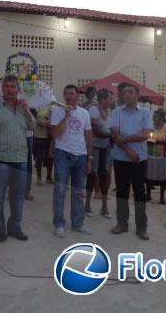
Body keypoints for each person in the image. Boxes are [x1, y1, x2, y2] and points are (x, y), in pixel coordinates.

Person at [0, 75, 35, 242]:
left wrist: (26, 110)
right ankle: (0, 228)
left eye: (13, 87)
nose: (10, 90)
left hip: (21, 158)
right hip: (1, 159)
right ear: (2, 89)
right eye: (7, 87)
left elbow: (32, 126)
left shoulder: (22, 107)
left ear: (18, 90)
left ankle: (15, 227)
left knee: (18, 195)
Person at [108, 83, 153, 240]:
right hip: (121, 159)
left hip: (139, 159)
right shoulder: (117, 112)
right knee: (122, 192)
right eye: (124, 92)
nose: (126, 94)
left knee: (140, 193)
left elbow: (145, 134)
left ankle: (141, 227)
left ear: (137, 95)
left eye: (130, 92)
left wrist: (126, 140)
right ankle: (122, 223)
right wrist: (129, 151)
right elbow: (115, 135)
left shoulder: (145, 113)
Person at [50, 85, 93, 237]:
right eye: (66, 93)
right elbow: (55, 133)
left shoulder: (85, 113)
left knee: (78, 192)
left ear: (77, 96)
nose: (68, 96)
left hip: (81, 157)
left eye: (71, 93)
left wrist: (90, 158)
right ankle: (59, 224)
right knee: (60, 191)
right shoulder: (56, 112)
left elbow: (88, 136)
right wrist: (67, 116)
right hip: (63, 155)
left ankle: (78, 223)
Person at [85, 88, 114, 217]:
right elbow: (95, 131)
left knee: (104, 175)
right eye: (110, 98)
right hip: (94, 147)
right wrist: (113, 135)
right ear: (103, 99)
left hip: (105, 147)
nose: (111, 101)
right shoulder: (94, 110)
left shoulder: (108, 111)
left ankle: (104, 206)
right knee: (92, 174)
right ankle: (87, 205)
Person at [145, 109, 166, 206]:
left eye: (155, 117)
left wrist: (161, 140)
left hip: (162, 156)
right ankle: (148, 195)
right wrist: (151, 140)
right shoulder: (150, 127)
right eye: (153, 116)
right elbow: (146, 138)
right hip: (150, 154)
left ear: (161, 118)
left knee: (162, 175)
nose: (153, 118)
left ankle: (162, 197)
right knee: (149, 174)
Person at [32, 106, 53, 184]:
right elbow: (33, 119)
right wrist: (42, 122)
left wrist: (47, 123)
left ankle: (49, 177)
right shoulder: (36, 106)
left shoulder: (51, 107)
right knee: (39, 157)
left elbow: (53, 120)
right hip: (39, 136)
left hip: (49, 136)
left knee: (50, 158)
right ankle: (39, 177)